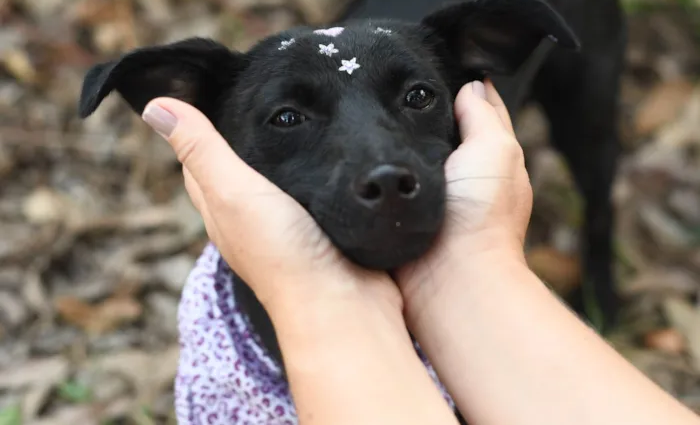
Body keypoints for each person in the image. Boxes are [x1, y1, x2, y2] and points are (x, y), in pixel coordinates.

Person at [141, 80, 700, 425]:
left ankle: (599, 245)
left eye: (417, 98)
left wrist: (470, 254)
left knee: (593, 154)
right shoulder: (225, 363)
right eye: (288, 119)